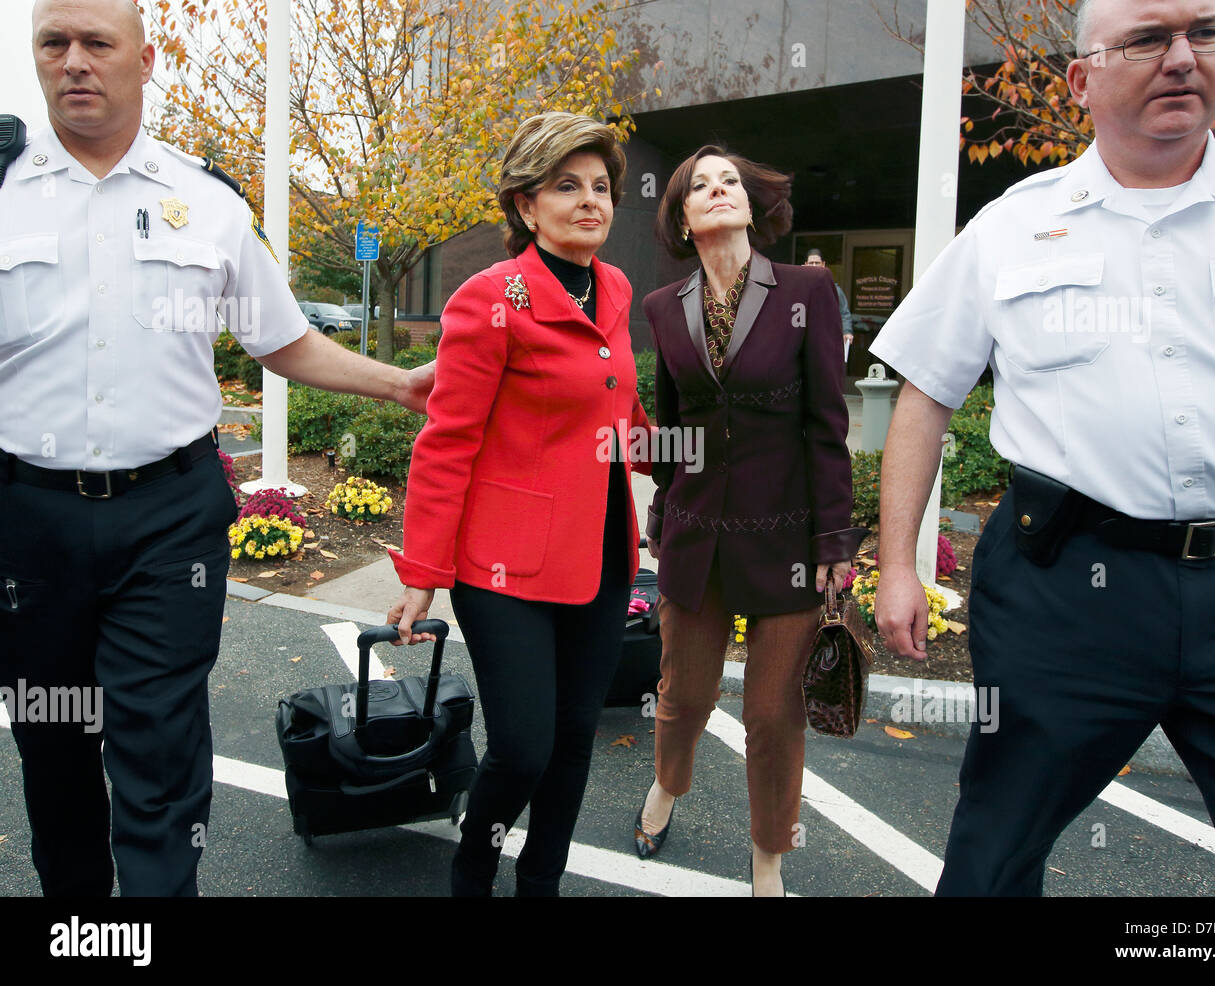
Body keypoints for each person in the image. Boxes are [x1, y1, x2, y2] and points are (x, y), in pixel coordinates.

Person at [0, 0, 436, 897]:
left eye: (97, 42)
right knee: (55, 743)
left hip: (167, 519)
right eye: (54, 43)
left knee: (158, 746)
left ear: (146, 58)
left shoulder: (205, 202)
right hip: (27, 518)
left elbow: (277, 339)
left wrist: (399, 384)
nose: (74, 61)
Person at [870, 0, 1215, 896]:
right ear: (1080, 80)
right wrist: (901, 568)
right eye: (1148, 38)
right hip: (1066, 593)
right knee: (993, 860)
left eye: (1207, 33)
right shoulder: (1014, 225)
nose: (1183, 57)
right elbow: (926, 392)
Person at [387, 112, 653, 897]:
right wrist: (423, 570)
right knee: (525, 747)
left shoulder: (614, 285)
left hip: (603, 553)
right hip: (505, 566)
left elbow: (618, 414)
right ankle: (475, 867)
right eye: (566, 186)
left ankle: (541, 881)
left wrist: (691, 459)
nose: (589, 201)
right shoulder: (487, 298)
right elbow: (448, 440)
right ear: (526, 206)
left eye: (600, 187)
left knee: (576, 739)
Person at [633, 145, 864, 896]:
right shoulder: (663, 307)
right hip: (697, 539)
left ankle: (768, 859)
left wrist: (835, 539)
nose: (718, 189)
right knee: (684, 696)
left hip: (790, 542)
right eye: (700, 185)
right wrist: (663, 514)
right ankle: (669, 784)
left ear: (751, 202)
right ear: (683, 217)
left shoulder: (807, 290)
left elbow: (828, 424)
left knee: (771, 715)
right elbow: (673, 427)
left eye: (729, 179)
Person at [804, 248, 854, 362]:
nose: (814, 266)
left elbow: (844, 313)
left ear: (823, 265)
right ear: (806, 264)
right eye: (811, 263)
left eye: (817, 263)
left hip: (826, 339)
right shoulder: (799, 287)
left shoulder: (834, 290)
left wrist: (847, 331)